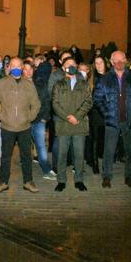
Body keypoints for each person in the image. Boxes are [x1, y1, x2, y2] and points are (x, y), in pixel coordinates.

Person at [0, 57, 41, 193]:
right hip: (7, 127)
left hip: (25, 127)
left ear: (22, 67)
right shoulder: (2, 83)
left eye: (19, 65)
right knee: (5, 156)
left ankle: (28, 181)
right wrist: (0, 117)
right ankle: (3, 182)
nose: (17, 68)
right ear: (9, 67)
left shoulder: (29, 85)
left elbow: (36, 104)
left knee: (26, 156)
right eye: (14, 66)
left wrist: (29, 117)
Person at [93, 50, 131, 188]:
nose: (119, 63)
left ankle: (129, 176)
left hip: (129, 121)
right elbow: (97, 99)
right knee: (109, 151)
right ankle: (107, 177)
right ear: (112, 62)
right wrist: (107, 113)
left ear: (126, 60)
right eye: (116, 60)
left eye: (122, 60)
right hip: (112, 121)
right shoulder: (104, 79)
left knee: (130, 151)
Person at [52, 57, 92, 192]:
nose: (71, 66)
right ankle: (61, 180)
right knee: (62, 154)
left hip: (79, 124)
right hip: (64, 124)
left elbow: (88, 102)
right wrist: (68, 117)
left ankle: (79, 180)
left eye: (73, 64)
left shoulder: (84, 84)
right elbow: (55, 103)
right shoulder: (58, 84)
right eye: (68, 65)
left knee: (79, 154)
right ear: (63, 68)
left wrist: (77, 116)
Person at [24, 61, 55, 179]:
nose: (28, 72)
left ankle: (46, 170)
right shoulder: (18, 83)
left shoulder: (40, 83)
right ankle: (26, 174)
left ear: (34, 70)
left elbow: (46, 101)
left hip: (38, 120)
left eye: (30, 69)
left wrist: (44, 118)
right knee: (25, 147)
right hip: (23, 121)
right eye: (25, 69)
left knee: (41, 146)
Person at [87, 55, 108, 174]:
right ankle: (95, 164)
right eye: (96, 62)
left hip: (108, 112)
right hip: (95, 113)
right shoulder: (92, 78)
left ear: (105, 63)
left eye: (101, 62)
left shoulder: (110, 76)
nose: (99, 64)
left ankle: (105, 160)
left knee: (105, 139)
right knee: (94, 139)